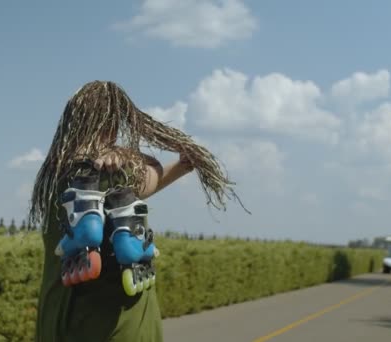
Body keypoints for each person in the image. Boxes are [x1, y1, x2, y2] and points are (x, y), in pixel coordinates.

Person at [30, 81, 246, 342]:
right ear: (111, 124)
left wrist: (179, 168)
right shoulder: (119, 169)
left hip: (56, 320)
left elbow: (131, 191)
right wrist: (136, 157)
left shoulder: (52, 178)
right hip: (117, 325)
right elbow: (148, 175)